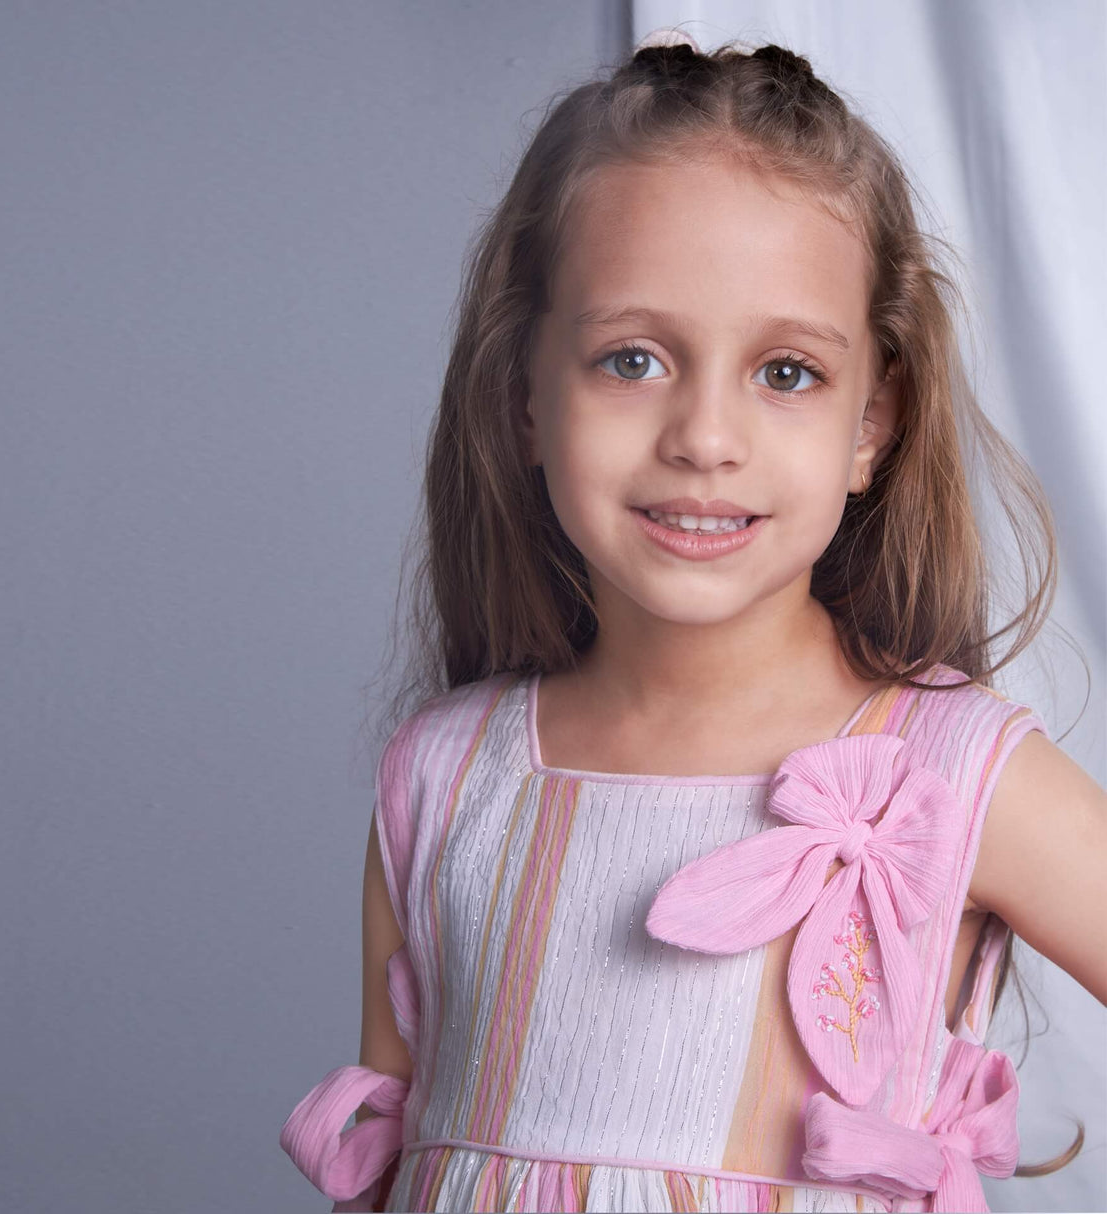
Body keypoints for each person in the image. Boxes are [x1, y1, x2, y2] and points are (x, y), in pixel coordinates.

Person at [279, 28, 1106, 1213]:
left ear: (871, 423)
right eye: (631, 360)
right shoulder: (444, 781)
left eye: (784, 373)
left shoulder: (950, 776)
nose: (703, 437)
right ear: (522, 401)